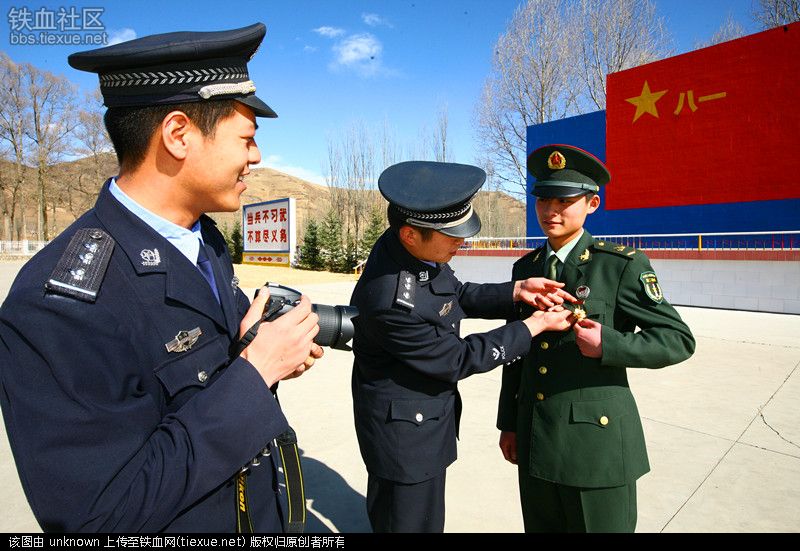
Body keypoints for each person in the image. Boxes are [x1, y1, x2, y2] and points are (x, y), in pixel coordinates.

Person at [0, 23, 323, 532]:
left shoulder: (204, 239)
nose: (256, 157)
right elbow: (99, 519)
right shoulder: (59, 305)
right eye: (247, 139)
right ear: (178, 135)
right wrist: (254, 373)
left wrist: (259, 351)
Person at [350, 160, 576, 533]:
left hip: (424, 421)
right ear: (410, 234)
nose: (462, 241)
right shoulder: (390, 301)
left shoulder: (412, 250)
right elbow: (457, 358)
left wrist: (516, 290)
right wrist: (532, 327)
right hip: (404, 438)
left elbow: (454, 294)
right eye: (452, 235)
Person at [496, 144, 696, 533]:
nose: (551, 210)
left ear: (592, 204)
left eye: (564, 200)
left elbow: (677, 339)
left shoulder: (619, 266)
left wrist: (610, 345)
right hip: (536, 440)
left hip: (596, 448)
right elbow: (518, 353)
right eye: (544, 199)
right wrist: (510, 422)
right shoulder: (527, 269)